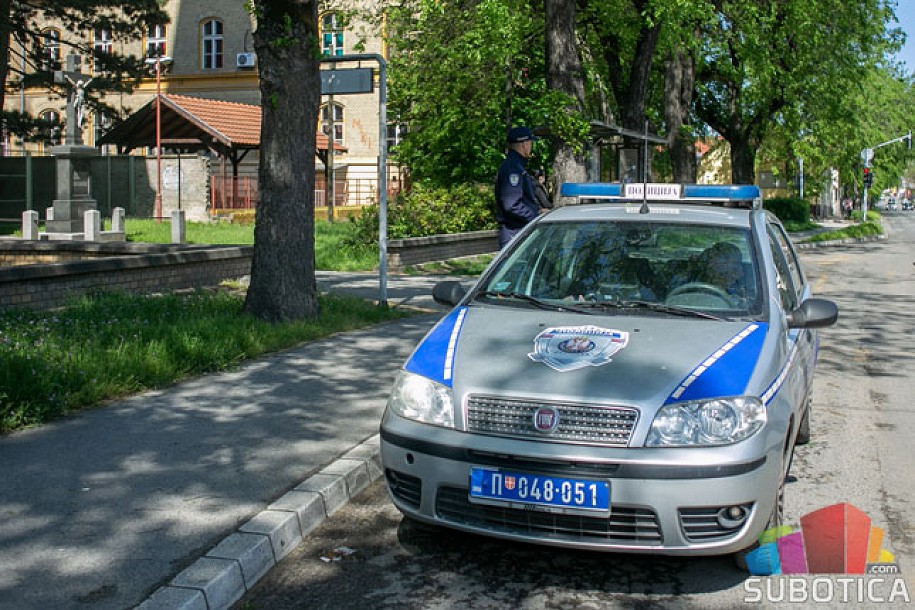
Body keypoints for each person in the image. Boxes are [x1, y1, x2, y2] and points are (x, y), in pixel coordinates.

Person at [494, 126, 540, 248]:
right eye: (530, 143)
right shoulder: (513, 168)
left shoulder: (515, 166)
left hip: (515, 233)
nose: (531, 146)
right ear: (524, 144)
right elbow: (512, 205)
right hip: (514, 234)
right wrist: (536, 217)